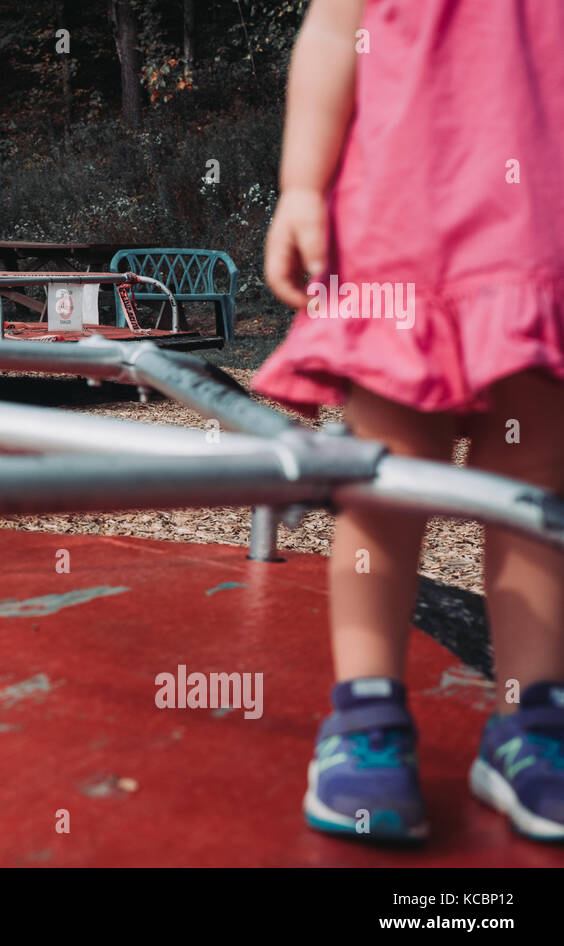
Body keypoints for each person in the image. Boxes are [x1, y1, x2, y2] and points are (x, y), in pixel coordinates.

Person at [256, 0, 564, 841]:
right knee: (385, 475)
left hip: (540, 230)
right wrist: (301, 187)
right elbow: (330, 32)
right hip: (402, 228)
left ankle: (533, 724)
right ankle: (366, 717)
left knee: (535, 480)